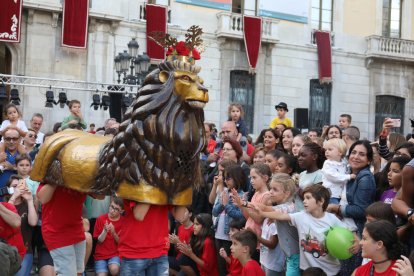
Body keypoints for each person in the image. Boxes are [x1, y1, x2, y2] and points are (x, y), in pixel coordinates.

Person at [259, 184, 359, 275]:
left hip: (330, 271)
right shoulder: (301, 216)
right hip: (307, 271)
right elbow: (281, 215)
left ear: (321, 201)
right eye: (304, 198)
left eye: (308, 198)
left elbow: (348, 232)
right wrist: (262, 213)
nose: (304, 201)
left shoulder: (332, 219)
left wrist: (357, 242)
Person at [327, 140, 376, 275]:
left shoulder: (365, 178)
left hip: (355, 235)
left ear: (368, 160)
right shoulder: (348, 173)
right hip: (343, 231)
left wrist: (337, 208)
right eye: (353, 152)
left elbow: (362, 210)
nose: (356, 156)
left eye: (362, 154)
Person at [37, 182, 88, 275]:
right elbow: (42, 198)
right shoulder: (53, 172)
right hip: (56, 231)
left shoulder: (83, 171)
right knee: (67, 274)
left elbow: (100, 196)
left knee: (78, 272)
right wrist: (57, 178)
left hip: (77, 229)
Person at [253, 173, 299, 275]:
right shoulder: (281, 209)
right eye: (271, 188)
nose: (270, 192)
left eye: (275, 189)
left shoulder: (288, 207)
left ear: (286, 193)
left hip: (285, 259)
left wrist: (244, 203)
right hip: (276, 259)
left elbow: (265, 208)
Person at [212, 164, 245, 276]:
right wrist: (222, 203)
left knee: (230, 266)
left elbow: (240, 216)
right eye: (225, 178)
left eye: (228, 178)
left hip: (229, 236)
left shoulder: (241, 195)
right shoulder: (225, 191)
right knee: (220, 264)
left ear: (237, 178)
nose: (226, 181)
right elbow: (215, 212)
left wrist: (226, 205)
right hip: (218, 234)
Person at [7, 175, 38, 276]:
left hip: (25, 251)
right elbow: (6, 220)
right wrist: (13, 197)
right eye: (15, 186)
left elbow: (33, 223)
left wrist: (29, 200)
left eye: (20, 186)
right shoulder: (4, 204)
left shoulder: (28, 205)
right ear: (9, 188)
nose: (18, 189)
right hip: (5, 251)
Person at [93, 196, 124, 276]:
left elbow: (121, 243)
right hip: (100, 255)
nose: (112, 210)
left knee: (114, 269)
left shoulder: (123, 221)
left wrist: (113, 233)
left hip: (115, 254)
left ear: (122, 211)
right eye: (111, 206)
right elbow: (99, 241)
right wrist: (105, 231)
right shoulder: (100, 219)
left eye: (116, 209)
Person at [321, 138, 356, 204]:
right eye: (326, 150)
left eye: (330, 149)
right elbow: (333, 176)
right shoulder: (328, 164)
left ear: (340, 152)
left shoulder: (344, 162)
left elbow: (347, 170)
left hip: (342, 195)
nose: (326, 152)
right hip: (331, 195)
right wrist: (348, 177)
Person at [169, 206, 194, 275]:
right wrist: (172, 242)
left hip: (188, 262)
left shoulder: (194, 229)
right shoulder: (180, 227)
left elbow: (191, 252)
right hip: (179, 259)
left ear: (190, 214)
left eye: (184, 212)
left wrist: (178, 242)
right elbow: (177, 249)